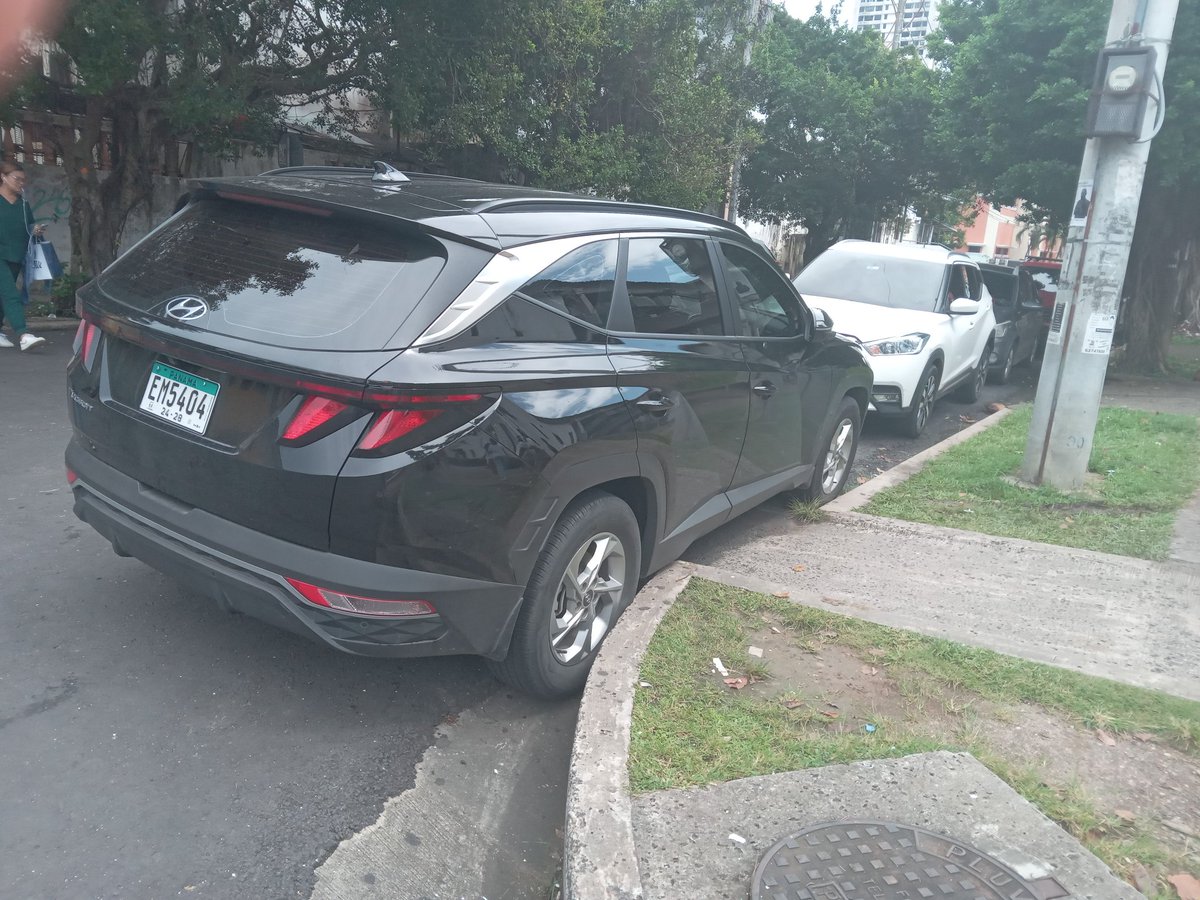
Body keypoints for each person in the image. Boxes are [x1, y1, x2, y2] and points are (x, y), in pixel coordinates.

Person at [0, 161, 46, 350]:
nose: (21, 183)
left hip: (16, 255)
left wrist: (36, 230)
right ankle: (24, 334)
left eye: (23, 180)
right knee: (11, 294)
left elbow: (30, 225)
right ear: (3, 177)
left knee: (3, 295)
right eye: (17, 179)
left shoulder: (23, 204)